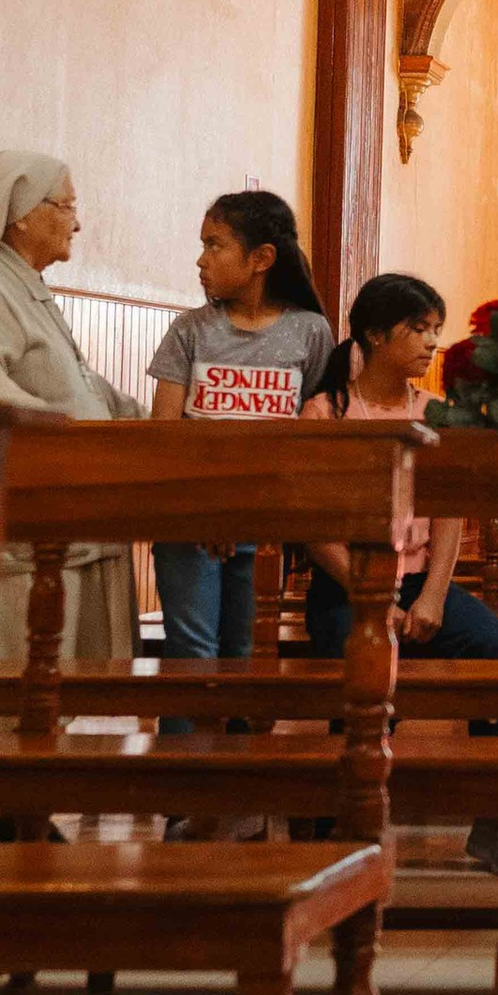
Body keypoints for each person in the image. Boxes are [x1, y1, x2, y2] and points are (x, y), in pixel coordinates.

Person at [303, 272, 498, 874]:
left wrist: (430, 598)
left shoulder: (434, 413)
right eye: (419, 329)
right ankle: (342, 817)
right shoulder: (328, 411)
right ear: (376, 335)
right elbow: (316, 528)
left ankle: (495, 815)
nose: (432, 342)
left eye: (436, 330)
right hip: (346, 585)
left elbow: (450, 516)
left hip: (419, 581)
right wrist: (374, 598)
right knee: (366, 663)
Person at [0, 148, 139, 665]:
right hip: (31, 539)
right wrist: (61, 430)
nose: (77, 224)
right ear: (20, 213)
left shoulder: (21, 282)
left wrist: (149, 421)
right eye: (67, 206)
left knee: (82, 697)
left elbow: (76, 382)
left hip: (73, 525)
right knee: (26, 692)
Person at [147, 190, 335, 674]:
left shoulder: (310, 331)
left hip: (267, 520)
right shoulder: (191, 330)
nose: (201, 259)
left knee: (247, 654)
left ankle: (238, 729)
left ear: (261, 259)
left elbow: (315, 437)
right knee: (192, 651)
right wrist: (209, 509)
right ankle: (188, 729)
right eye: (203, 245)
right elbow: (164, 436)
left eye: (215, 245)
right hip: (191, 519)